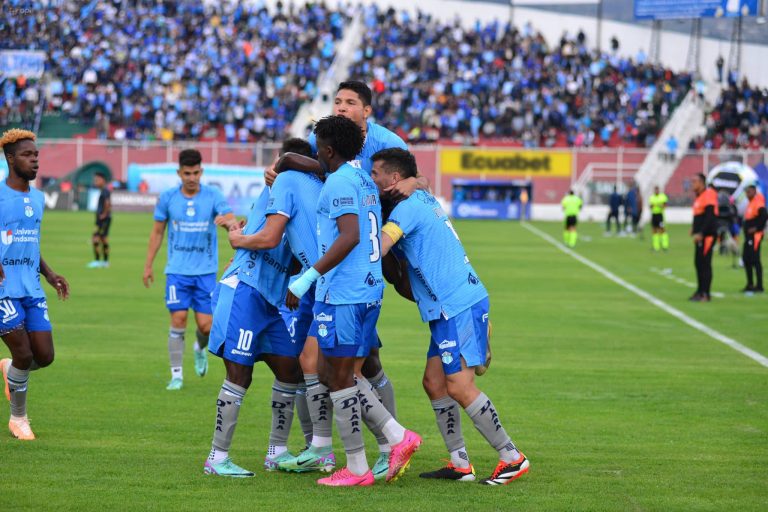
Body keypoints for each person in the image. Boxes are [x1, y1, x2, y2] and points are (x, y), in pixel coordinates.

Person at [267, 80, 426, 471]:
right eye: (336, 102)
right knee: (326, 367)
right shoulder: (360, 176)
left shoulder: (351, 172)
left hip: (347, 283)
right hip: (356, 280)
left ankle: (384, 447)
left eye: (348, 102)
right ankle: (337, 448)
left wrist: (306, 277)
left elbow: (352, 234)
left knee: (348, 371)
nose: (340, 107)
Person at [371, 148, 529, 486]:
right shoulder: (421, 196)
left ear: (394, 178)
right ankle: (460, 463)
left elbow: (379, 248)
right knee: (434, 383)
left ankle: (511, 457)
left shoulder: (408, 208)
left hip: (456, 306)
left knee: (459, 385)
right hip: (448, 308)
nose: (371, 178)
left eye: (375, 173)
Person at [225, 138, 335, 474]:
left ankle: (283, 450)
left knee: (307, 369)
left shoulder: (292, 188)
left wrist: (238, 236)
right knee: (259, 372)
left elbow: (279, 241)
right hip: (261, 289)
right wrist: (239, 234)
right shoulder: (300, 189)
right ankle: (223, 457)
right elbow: (276, 238)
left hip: (289, 295)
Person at [203, 181, 301, 477]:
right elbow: (270, 238)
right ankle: (217, 458)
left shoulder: (304, 199)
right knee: (239, 374)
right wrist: (237, 238)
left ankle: (277, 451)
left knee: (289, 370)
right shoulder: (278, 188)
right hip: (244, 291)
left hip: (270, 300)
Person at [142, 149, 236, 390]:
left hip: (205, 272)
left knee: (206, 326)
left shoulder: (213, 195)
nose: (192, 177)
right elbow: (157, 232)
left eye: (196, 173)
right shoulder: (168, 197)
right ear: (179, 173)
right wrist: (148, 264)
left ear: (201, 171)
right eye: (187, 173)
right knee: (179, 318)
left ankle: (199, 348)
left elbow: (231, 219)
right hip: (177, 271)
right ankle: (176, 375)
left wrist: (227, 223)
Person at [0, 129, 70, 440]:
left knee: (45, 356)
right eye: (28, 155)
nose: (35, 161)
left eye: (36, 155)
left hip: (31, 286)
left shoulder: (38, 198)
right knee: (24, 354)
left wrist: (50, 273)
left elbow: (30, 244)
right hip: (3, 289)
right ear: (10, 158)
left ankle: (9, 369)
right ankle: (19, 419)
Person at [690, 174, 719, 302]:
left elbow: (710, 217)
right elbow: (699, 216)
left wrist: (701, 233)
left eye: (694, 181)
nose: (692, 184)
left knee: (705, 264)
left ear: (701, 183)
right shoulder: (699, 197)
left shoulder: (709, 195)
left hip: (707, 236)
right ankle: (700, 291)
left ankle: (706, 293)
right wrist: (694, 229)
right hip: (699, 236)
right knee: (698, 263)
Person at [742, 183, 766, 293]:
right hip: (748, 237)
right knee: (746, 258)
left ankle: (759, 286)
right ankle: (750, 284)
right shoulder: (750, 203)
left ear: (754, 192)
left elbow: (764, 216)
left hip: (755, 237)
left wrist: (756, 228)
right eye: (746, 192)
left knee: (755, 260)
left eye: (749, 192)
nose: (747, 194)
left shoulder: (758, 202)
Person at [87, 172, 112, 268]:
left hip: (103, 220)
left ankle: (98, 261)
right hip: (103, 219)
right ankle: (104, 262)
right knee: (103, 239)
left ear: (103, 180)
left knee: (96, 239)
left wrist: (104, 214)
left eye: (97, 180)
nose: (95, 182)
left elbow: (107, 203)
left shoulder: (105, 191)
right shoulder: (103, 190)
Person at [649, 186, 669, 252]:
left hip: (660, 215)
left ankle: (665, 246)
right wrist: (655, 205)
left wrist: (659, 205)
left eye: (657, 190)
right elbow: (650, 206)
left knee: (662, 230)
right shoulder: (652, 197)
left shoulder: (662, 196)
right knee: (654, 230)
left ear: (659, 190)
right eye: (655, 190)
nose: (656, 191)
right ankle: (656, 247)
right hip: (654, 215)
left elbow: (665, 205)